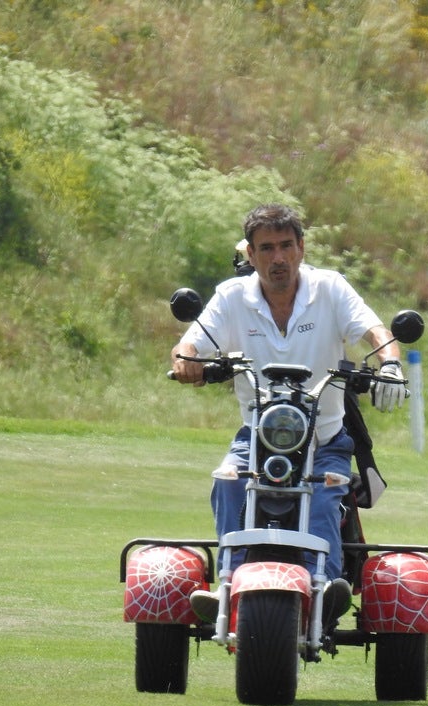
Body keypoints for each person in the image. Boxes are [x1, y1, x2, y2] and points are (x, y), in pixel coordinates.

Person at [170, 203, 407, 623]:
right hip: (255, 436)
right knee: (227, 480)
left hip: (325, 438)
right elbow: (191, 343)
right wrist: (186, 360)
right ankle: (228, 586)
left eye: (285, 246)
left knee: (325, 492)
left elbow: (373, 330)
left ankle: (327, 591)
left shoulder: (330, 288)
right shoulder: (231, 296)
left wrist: (389, 363)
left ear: (301, 247)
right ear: (250, 253)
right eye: (266, 249)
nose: (277, 258)